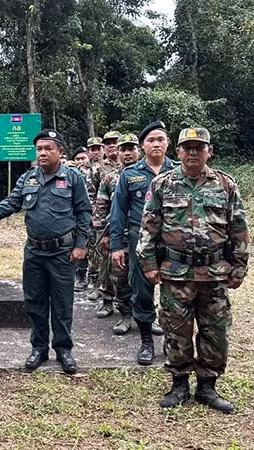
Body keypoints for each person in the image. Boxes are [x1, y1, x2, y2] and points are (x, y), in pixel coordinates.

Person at [137, 127, 249, 413]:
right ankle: (179, 384)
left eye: (199, 148)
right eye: (188, 148)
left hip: (214, 273)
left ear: (209, 151)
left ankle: (207, 387)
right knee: (176, 331)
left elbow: (239, 229)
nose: (193, 153)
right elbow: (149, 227)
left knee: (216, 332)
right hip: (176, 272)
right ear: (179, 152)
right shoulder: (162, 185)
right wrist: (149, 264)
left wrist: (239, 267)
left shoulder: (225, 185)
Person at [0, 129, 91, 374]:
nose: (43, 153)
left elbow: (84, 212)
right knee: (34, 302)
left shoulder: (73, 177)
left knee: (62, 303)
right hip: (34, 252)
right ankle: (38, 348)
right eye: (39, 149)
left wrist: (81, 244)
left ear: (61, 152)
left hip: (62, 252)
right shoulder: (28, 178)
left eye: (48, 148)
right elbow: (12, 203)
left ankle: (64, 349)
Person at [109, 121, 174, 366]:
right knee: (142, 292)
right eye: (150, 140)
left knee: (173, 294)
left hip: (173, 241)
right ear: (143, 146)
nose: (156, 144)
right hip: (140, 240)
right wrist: (117, 246)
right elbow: (118, 212)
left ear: (168, 143)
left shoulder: (178, 172)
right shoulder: (129, 174)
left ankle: (170, 341)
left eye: (160, 139)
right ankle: (146, 342)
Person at [96, 133, 140, 330]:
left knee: (146, 278)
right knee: (120, 276)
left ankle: (148, 314)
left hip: (142, 234)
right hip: (117, 234)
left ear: (139, 150)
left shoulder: (149, 174)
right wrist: (103, 234)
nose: (127, 153)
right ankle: (125, 315)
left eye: (132, 149)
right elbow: (101, 207)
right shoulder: (109, 178)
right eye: (123, 150)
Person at [84, 136, 105, 300]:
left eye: (98, 149)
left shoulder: (109, 168)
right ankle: (94, 282)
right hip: (93, 217)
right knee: (93, 251)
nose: (96, 152)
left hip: (108, 217)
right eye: (92, 149)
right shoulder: (86, 169)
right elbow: (90, 196)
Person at [72, 146, 93, 292]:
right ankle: (81, 277)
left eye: (83, 158)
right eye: (77, 159)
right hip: (77, 217)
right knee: (81, 245)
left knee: (94, 250)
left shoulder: (96, 172)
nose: (81, 161)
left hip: (96, 217)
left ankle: (94, 280)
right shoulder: (71, 174)